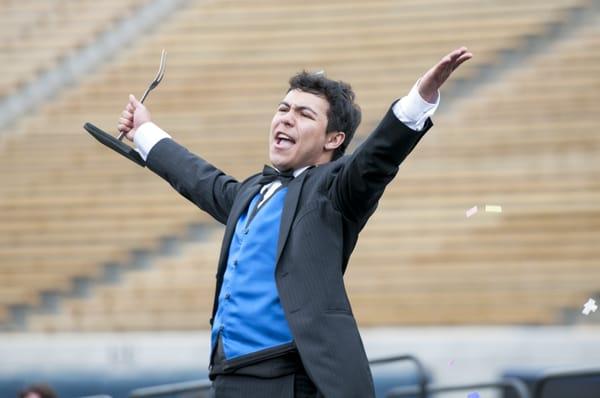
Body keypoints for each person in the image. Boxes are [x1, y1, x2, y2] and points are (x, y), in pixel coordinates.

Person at [117, 47, 472, 398]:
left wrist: (419, 100)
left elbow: (376, 158)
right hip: (227, 377)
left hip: (288, 380)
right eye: (283, 108)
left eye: (304, 114)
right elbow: (198, 178)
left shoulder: (335, 191)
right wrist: (145, 131)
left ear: (333, 140)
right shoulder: (252, 192)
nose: (286, 118)